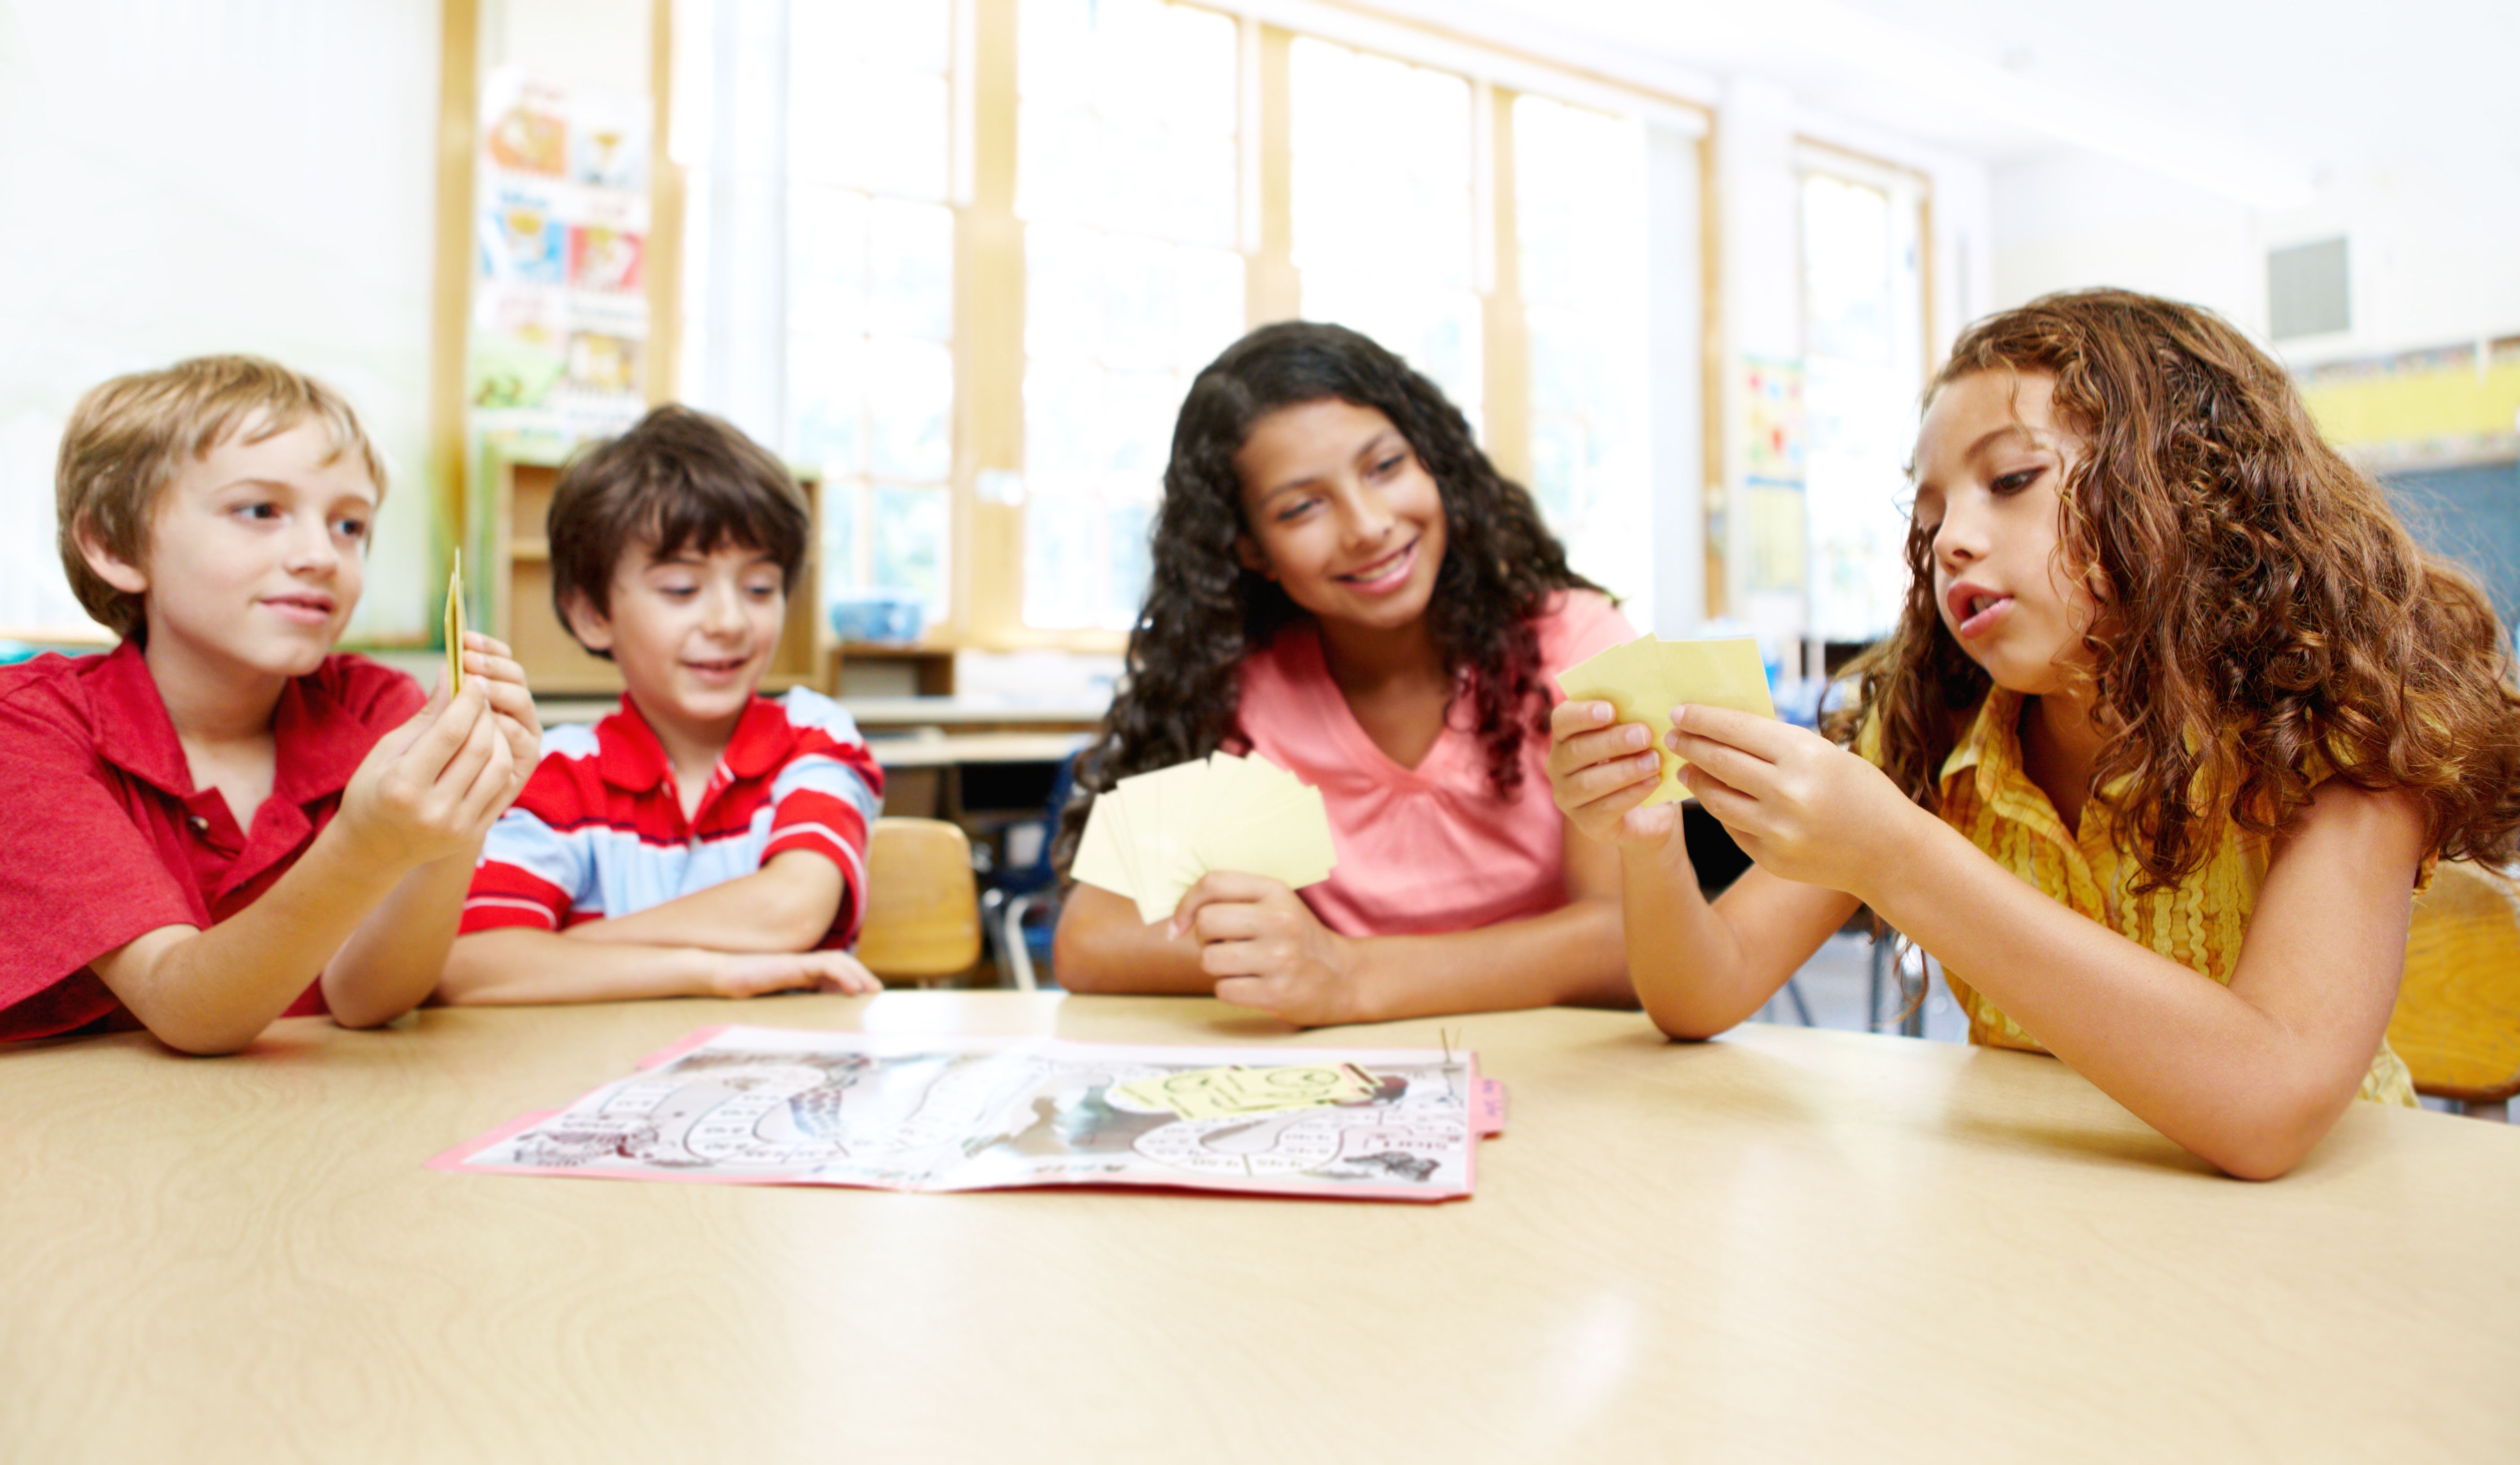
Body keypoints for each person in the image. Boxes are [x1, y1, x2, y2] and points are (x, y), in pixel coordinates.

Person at [1549, 289, 2520, 1178]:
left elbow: (2269, 1105)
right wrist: (1649, 835)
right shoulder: (1933, 733)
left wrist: (1896, 854)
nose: (1951, 541)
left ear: (2183, 486)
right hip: (2039, 1229)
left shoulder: (2336, 733)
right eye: (1928, 520)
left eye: (2010, 480)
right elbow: (1703, 993)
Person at [1053, 321, 1636, 1025]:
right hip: (1349, 1083)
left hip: (1568, 1074)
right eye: (1301, 507)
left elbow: (1626, 941)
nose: (1367, 525)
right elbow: (1092, 940)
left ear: (1434, 463)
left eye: (1385, 466)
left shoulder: (1579, 642)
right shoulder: (1242, 688)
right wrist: (1293, 961)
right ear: (1251, 550)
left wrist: (1348, 971)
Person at [0, 355, 540, 1052]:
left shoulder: (377, 705)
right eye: (260, 510)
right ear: (112, 542)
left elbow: (367, 998)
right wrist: (367, 844)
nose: (321, 554)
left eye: (350, 526)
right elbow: (189, 1010)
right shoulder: (31, 727)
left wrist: (458, 820)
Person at [439, 405, 886, 1005]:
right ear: (593, 614)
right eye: (682, 589)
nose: (729, 621)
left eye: (759, 588)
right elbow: (469, 967)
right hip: (596, 1083)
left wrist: (565, 948)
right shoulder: (554, 770)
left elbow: (788, 911)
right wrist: (707, 971)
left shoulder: (814, 734)